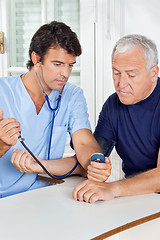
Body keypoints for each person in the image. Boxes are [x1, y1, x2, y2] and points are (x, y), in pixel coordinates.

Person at [0, 21, 111, 198]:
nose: (65, 74)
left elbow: (84, 142)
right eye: (58, 64)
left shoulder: (72, 95)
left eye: (70, 65)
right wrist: (2, 144)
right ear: (36, 59)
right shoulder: (3, 92)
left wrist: (95, 164)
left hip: (44, 196)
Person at [73, 34, 160, 204]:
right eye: (116, 73)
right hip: (133, 198)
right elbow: (93, 158)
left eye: (132, 75)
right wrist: (39, 164)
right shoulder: (113, 105)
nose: (121, 83)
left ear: (153, 73)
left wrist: (113, 188)